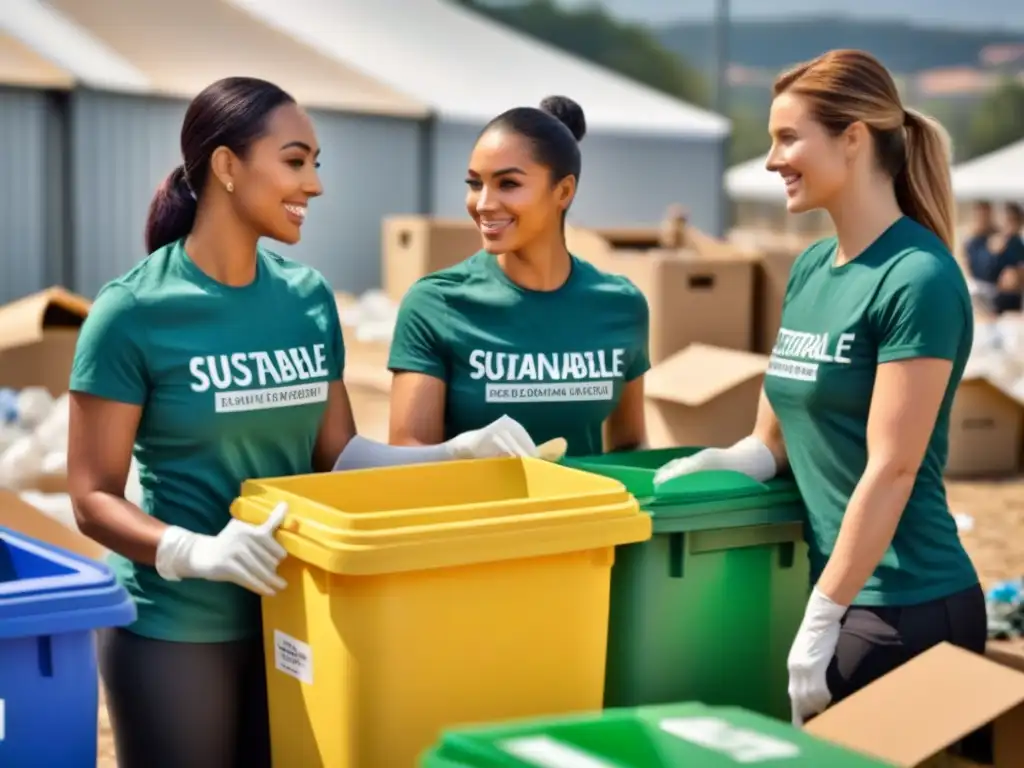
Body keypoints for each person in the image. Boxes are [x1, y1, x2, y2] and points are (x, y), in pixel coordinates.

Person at [67, 77, 539, 768]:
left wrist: (456, 454)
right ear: (227, 166)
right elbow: (91, 496)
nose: (313, 185)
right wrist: (196, 554)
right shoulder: (133, 312)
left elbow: (339, 459)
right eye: (295, 161)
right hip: (178, 627)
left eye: (317, 163)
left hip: (296, 616)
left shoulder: (307, 299)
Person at [653, 49, 985, 725]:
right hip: (841, 594)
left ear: (854, 138)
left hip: (906, 604)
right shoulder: (809, 269)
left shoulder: (918, 278)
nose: (773, 160)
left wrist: (822, 617)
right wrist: (730, 462)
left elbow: (892, 469)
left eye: (787, 138)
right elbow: (772, 439)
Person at [386, 96, 650, 457]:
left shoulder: (621, 305)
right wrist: (463, 451)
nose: (483, 204)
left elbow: (630, 446)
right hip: (478, 514)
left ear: (563, 191)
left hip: (585, 514)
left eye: (508, 184)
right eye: (475, 183)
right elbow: (405, 453)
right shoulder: (436, 304)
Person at [964, 200, 1024, 314]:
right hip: (988, 298)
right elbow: (981, 272)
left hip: (1013, 299)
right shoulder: (977, 242)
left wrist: (1017, 274)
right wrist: (992, 252)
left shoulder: (1014, 242)